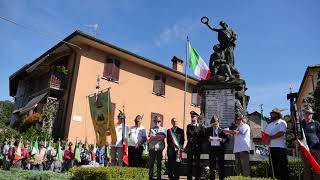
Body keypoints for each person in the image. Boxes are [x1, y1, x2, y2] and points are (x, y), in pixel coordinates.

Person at [264, 108, 288, 180]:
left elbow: (281, 133)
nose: (272, 115)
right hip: (271, 148)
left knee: (282, 167)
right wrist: (265, 140)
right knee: (273, 167)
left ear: (278, 114)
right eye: (271, 114)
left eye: (273, 113)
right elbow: (265, 135)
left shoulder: (282, 122)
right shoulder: (269, 124)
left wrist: (270, 137)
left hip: (280, 147)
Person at [300, 107, 320, 179]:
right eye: (306, 113)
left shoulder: (316, 123)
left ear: (312, 115)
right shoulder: (300, 124)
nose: (308, 115)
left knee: (317, 168)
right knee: (306, 168)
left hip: (316, 149)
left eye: (310, 113)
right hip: (304, 149)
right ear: (304, 114)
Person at [206, 116, 228, 180]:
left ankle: (221, 178)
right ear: (212, 124)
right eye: (214, 124)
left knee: (221, 166)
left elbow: (227, 139)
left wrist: (222, 139)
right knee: (212, 166)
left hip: (220, 151)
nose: (216, 125)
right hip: (211, 150)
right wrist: (208, 139)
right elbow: (204, 138)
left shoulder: (222, 131)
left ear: (218, 123)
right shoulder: (208, 130)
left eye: (217, 123)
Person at [186, 111, 205, 180]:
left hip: (197, 148)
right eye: (191, 117)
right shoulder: (188, 126)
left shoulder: (201, 126)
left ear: (197, 117)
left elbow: (203, 137)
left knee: (197, 164)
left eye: (194, 117)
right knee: (189, 165)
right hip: (190, 147)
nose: (192, 118)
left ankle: (197, 178)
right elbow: (188, 136)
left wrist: (197, 140)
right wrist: (190, 139)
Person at [148, 116, 166, 180]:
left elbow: (162, 137)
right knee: (151, 164)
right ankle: (150, 177)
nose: (157, 123)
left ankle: (159, 178)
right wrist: (158, 136)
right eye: (155, 121)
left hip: (159, 149)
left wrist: (154, 137)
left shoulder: (163, 129)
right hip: (152, 149)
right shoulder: (151, 129)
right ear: (154, 122)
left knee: (159, 164)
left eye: (158, 121)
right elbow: (149, 138)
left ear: (160, 122)